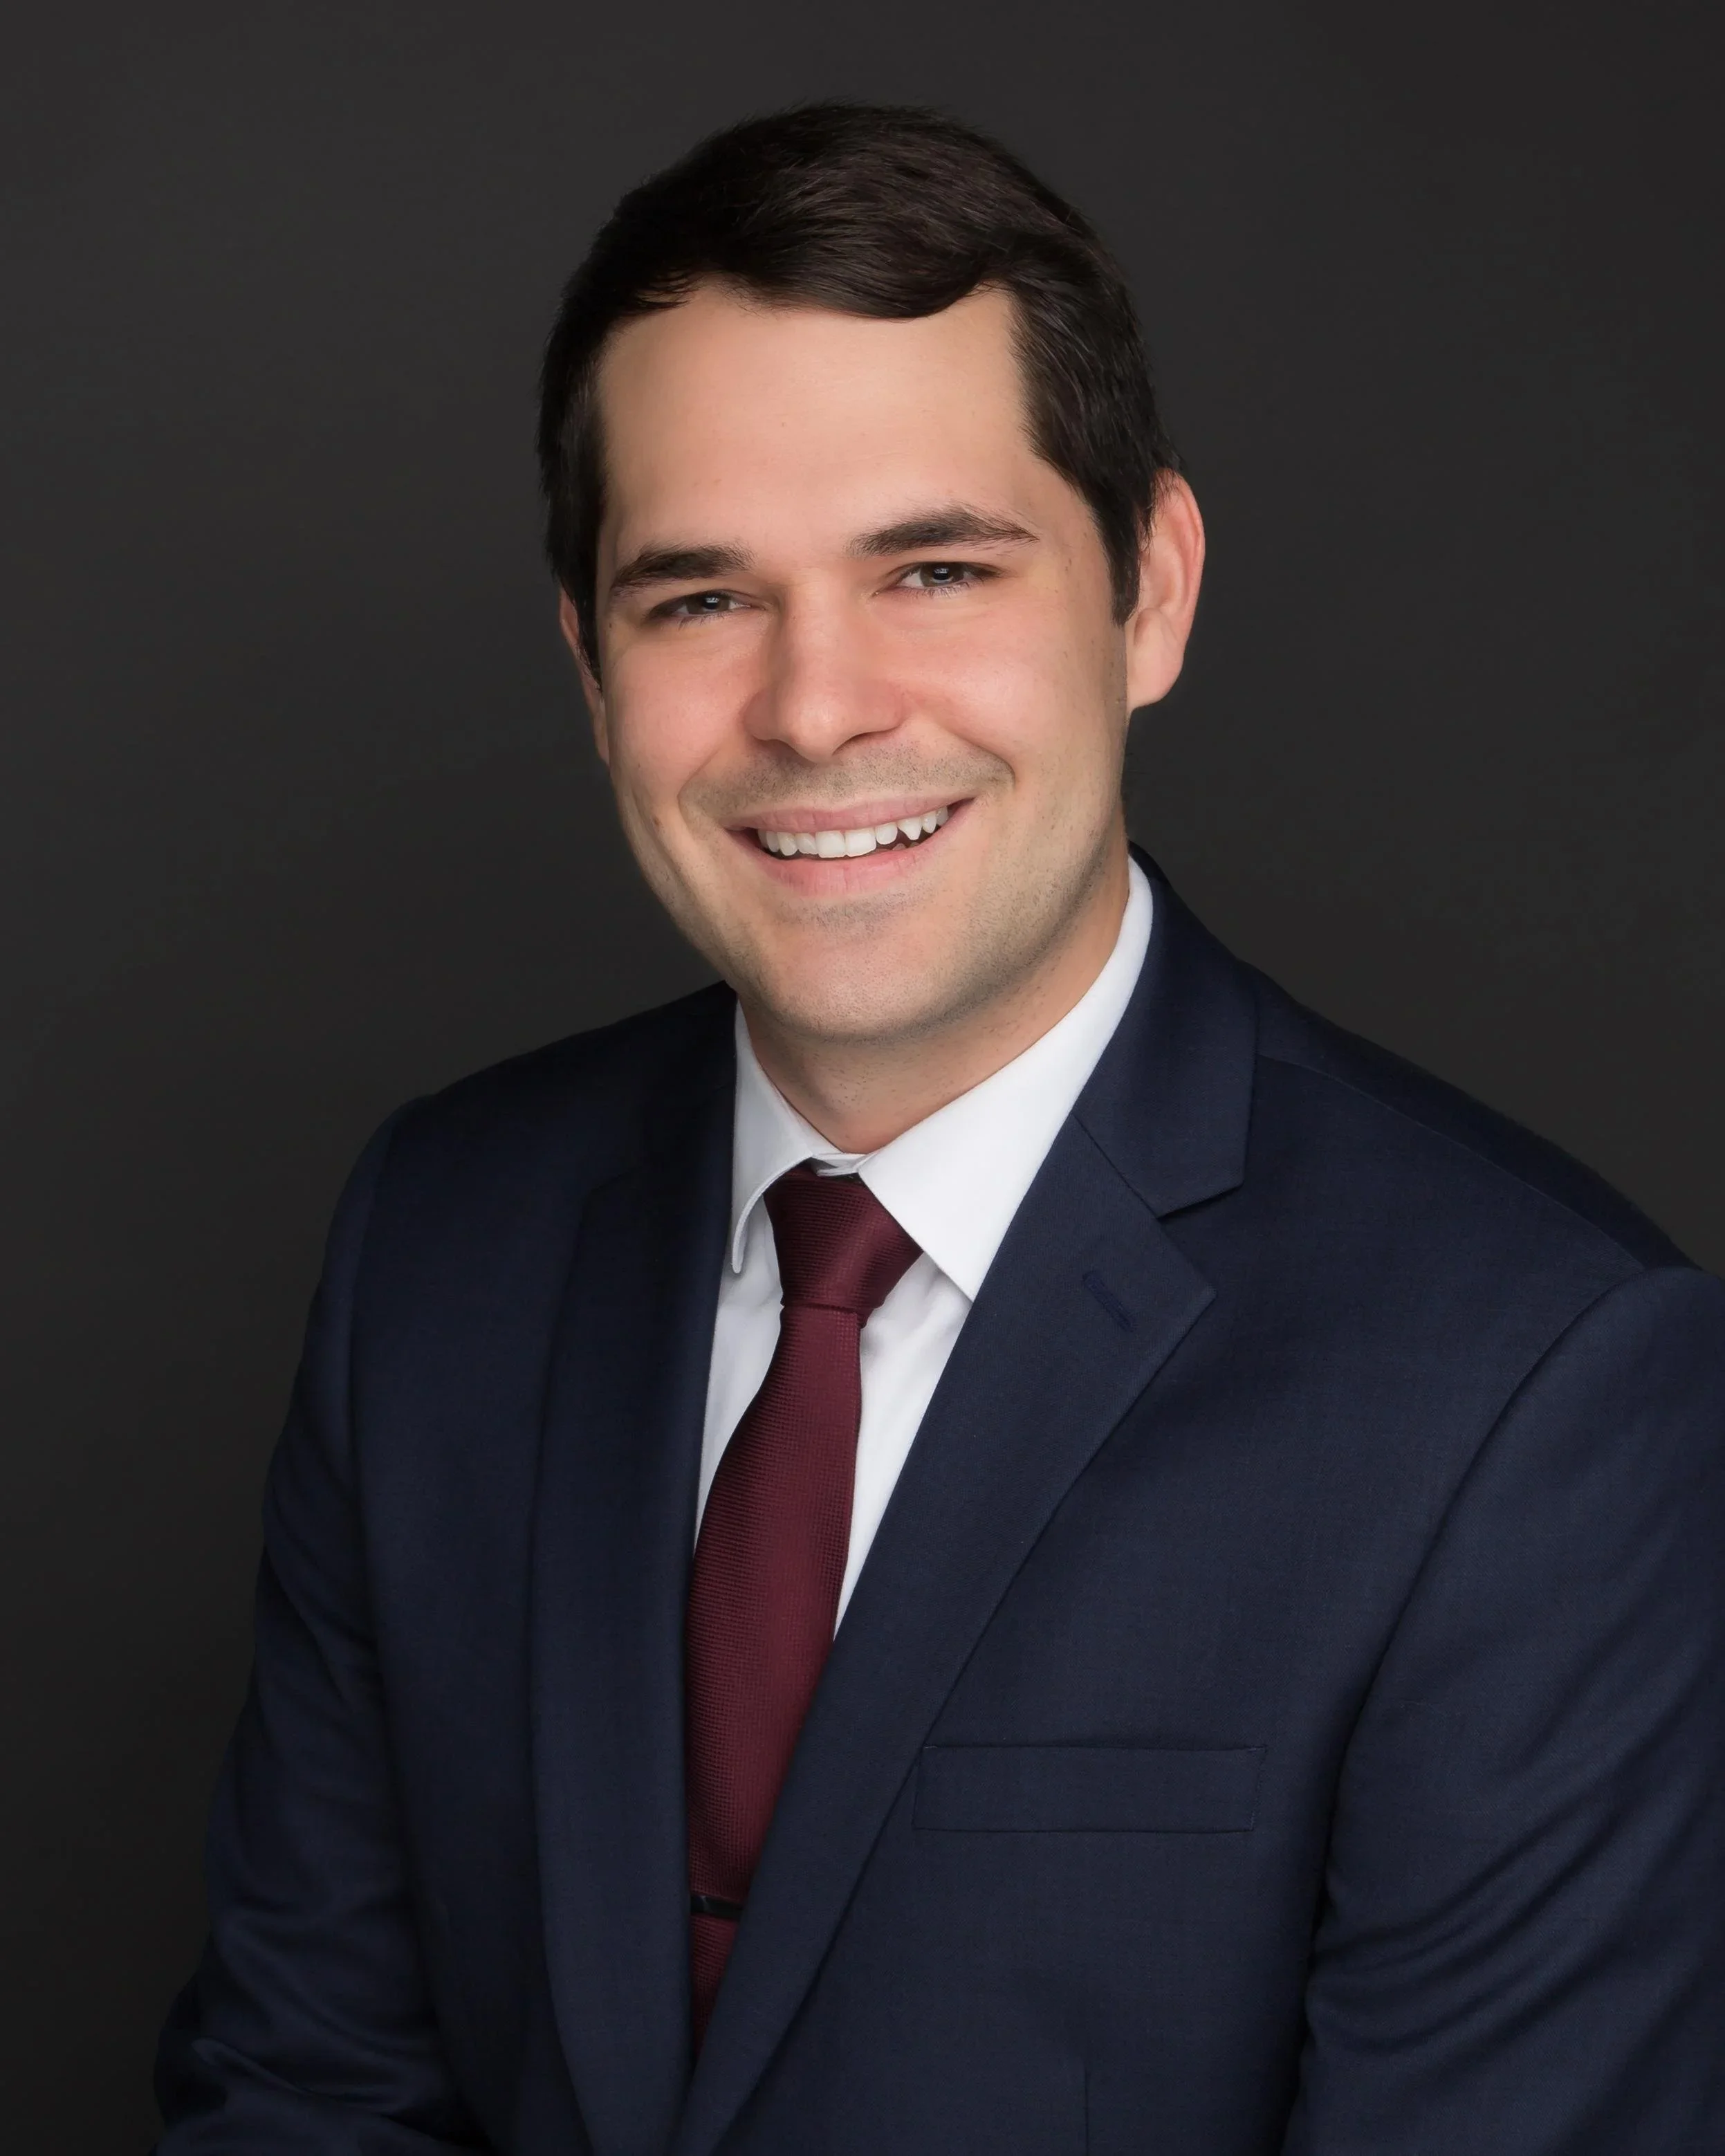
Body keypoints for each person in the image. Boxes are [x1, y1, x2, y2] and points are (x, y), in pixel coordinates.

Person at [154, 103, 1724, 2155]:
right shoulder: (441, 1239)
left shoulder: (1536, 1383)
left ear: (1147, 594)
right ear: (586, 659)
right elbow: (309, 2090)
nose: (816, 708)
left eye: (933, 567)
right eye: (700, 598)